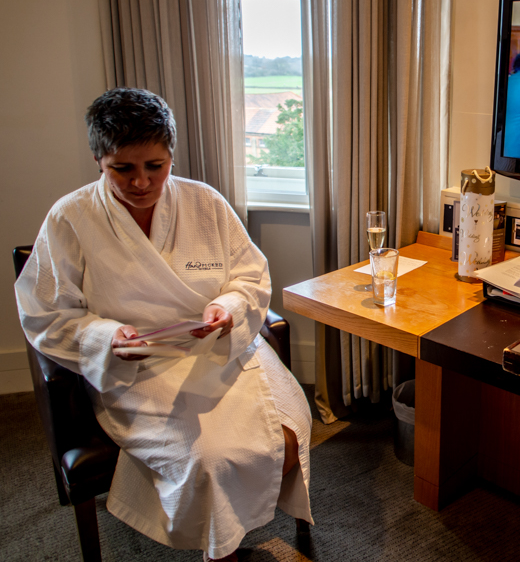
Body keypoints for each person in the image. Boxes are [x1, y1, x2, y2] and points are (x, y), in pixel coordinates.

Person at [15, 88, 313, 562]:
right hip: (136, 369)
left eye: (155, 166)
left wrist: (229, 309)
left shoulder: (204, 203)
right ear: (98, 159)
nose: (140, 182)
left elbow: (250, 276)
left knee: (288, 431)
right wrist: (106, 337)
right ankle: (222, 551)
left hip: (222, 350)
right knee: (209, 459)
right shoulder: (70, 219)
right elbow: (46, 313)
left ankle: (237, 527)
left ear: (171, 154)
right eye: (123, 169)